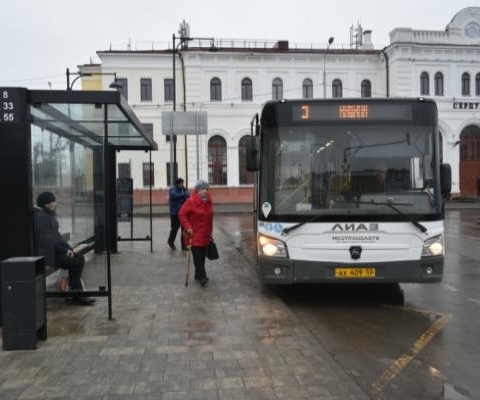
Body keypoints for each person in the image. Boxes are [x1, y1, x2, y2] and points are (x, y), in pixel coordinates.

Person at [34, 192, 95, 306]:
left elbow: (56, 236)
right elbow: (48, 242)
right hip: (47, 256)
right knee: (76, 263)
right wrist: (65, 251)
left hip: (52, 253)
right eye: (54, 202)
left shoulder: (46, 215)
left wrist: (68, 248)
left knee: (79, 258)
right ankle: (77, 296)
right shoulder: (42, 217)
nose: (56, 204)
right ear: (47, 204)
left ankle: (77, 294)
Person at [178, 180, 213, 287]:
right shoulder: (191, 201)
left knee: (201, 257)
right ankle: (203, 277)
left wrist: (210, 233)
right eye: (202, 189)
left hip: (205, 235)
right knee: (197, 257)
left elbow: (209, 218)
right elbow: (181, 214)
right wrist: (188, 227)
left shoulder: (208, 201)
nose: (204, 191)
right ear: (197, 190)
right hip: (194, 235)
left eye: (206, 189)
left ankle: (198, 275)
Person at [168, 178, 190, 250]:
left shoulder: (183, 189)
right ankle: (170, 242)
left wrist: (186, 194)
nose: (182, 185)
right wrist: (185, 194)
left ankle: (184, 245)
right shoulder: (172, 189)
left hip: (183, 213)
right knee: (175, 228)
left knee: (184, 229)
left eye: (183, 183)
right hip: (174, 213)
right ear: (178, 183)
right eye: (181, 183)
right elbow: (174, 196)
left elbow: (188, 196)